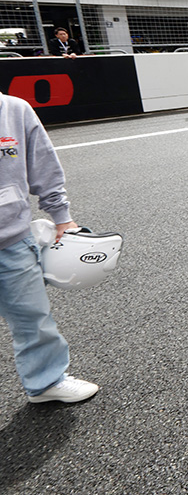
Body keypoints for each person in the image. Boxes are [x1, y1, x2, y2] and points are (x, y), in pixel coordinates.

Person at [0, 91, 99, 404]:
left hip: (11, 241)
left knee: (34, 319)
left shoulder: (14, 110)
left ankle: (45, 383)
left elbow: (43, 164)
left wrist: (62, 217)